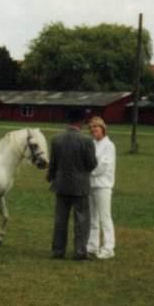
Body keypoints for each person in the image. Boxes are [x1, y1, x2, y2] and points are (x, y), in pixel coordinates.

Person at [47, 109, 97, 260]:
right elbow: (92, 164)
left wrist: (51, 176)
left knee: (60, 219)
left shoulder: (56, 139)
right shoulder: (87, 140)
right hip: (80, 185)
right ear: (81, 122)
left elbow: (53, 163)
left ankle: (58, 250)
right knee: (81, 219)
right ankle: (80, 251)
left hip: (61, 184)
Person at [87, 117, 116, 259]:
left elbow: (103, 167)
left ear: (103, 129)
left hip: (103, 186)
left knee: (105, 218)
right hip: (90, 186)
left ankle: (109, 248)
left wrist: (88, 172)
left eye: (96, 128)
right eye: (91, 128)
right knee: (93, 218)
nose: (93, 131)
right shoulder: (92, 144)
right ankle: (92, 246)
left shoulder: (109, 145)